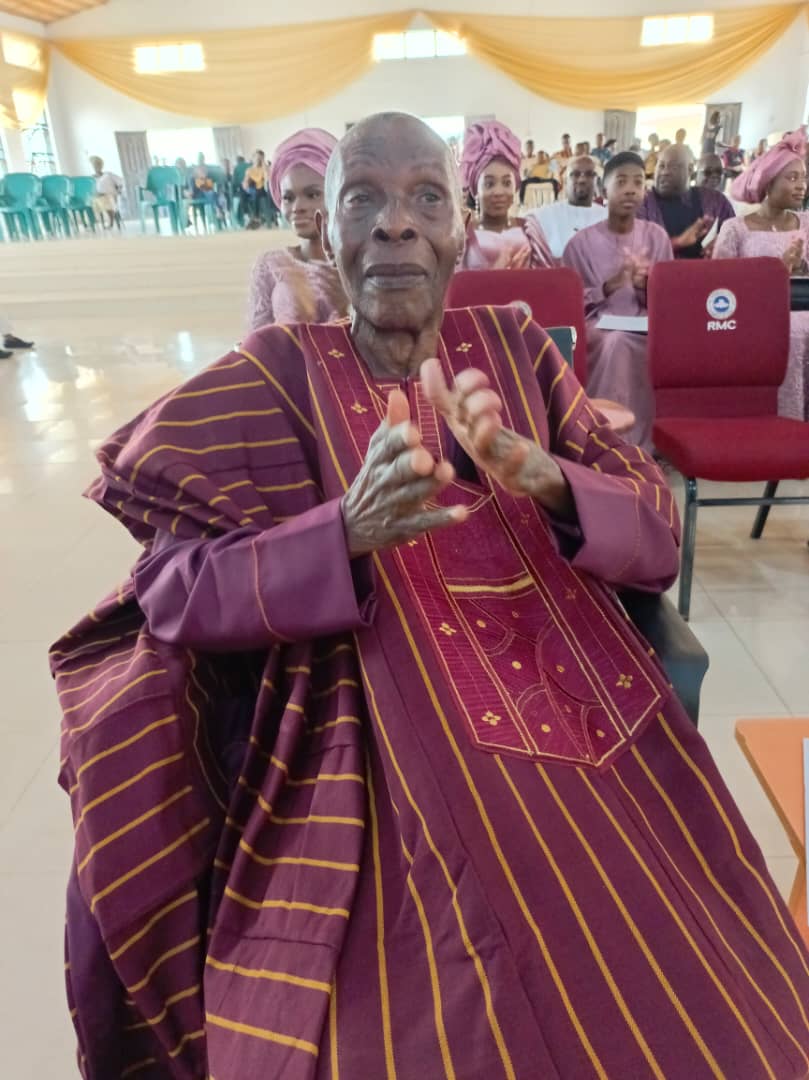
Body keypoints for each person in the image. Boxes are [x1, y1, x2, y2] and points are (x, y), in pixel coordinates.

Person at [52, 112, 809, 1079]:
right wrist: (340, 532)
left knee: (711, 1014)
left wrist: (546, 479)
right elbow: (169, 591)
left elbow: (654, 531)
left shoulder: (516, 349)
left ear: (460, 229)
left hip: (586, 724)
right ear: (324, 231)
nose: (395, 223)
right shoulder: (267, 377)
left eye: (425, 198)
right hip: (357, 743)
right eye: (361, 198)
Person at [563, 151, 673, 451]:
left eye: (638, 183)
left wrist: (645, 288)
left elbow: (670, 298)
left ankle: (648, 442)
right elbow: (569, 302)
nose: (630, 190)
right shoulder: (580, 243)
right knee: (616, 342)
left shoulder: (657, 237)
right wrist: (609, 285)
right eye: (621, 182)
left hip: (646, 323)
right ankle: (608, 438)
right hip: (597, 325)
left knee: (655, 342)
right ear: (603, 190)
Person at [715, 129, 809, 420]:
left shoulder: (807, 223)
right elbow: (720, 286)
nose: (801, 186)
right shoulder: (736, 228)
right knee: (793, 330)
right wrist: (778, 270)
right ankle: (783, 421)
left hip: (803, 305)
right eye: (792, 178)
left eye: (804, 178)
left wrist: (802, 267)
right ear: (768, 182)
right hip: (753, 314)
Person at [246, 128, 348, 330]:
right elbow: (255, 340)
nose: (297, 207)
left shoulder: (357, 267)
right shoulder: (271, 265)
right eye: (288, 198)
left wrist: (344, 308)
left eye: (313, 195)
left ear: (338, 195)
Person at [460, 119, 552, 269]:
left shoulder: (530, 230)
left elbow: (547, 279)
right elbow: (457, 282)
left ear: (516, 186)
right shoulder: (463, 238)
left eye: (506, 183)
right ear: (475, 189)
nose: (498, 192)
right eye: (489, 184)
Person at [638, 144, 735, 258]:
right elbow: (635, 249)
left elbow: (735, 232)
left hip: (702, 268)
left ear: (690, 169)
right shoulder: (642, 203)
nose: (665, 172)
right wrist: (678, 242)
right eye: (661, 166)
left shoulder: (714, 200)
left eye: (673, 167)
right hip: (656, 269)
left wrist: (720, 243)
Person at [529, 153, 607, 260]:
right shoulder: (544, 215)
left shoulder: (607, 218)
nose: (582, 180)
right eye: (575, 174)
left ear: (596, 181)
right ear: (565, 181)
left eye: (589, 174)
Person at [239, 149, 271, 229]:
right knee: (242, 190)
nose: (257, 159)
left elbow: (267, 178)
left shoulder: (264, 168)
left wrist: (263, 163)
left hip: (262, 189)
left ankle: (256, 217)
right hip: (252, 189)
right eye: (256, 157)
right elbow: (245, 181)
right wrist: (245, 185)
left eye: (259, 158)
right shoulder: (249, 170)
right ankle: (246, 215)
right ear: (253, 158)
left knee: (257, 192)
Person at [89, 155, 123, 230]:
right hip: (98, 197)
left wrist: (119, 191)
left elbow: (120, 182)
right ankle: (92, 222)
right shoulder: (92, 177)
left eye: (98, 165)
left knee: (105, 200)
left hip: (110, 196)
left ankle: (111, 222)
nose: (96, 167)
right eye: (94, 166)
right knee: (92, 201)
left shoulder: (108, 174)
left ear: (101, 166)